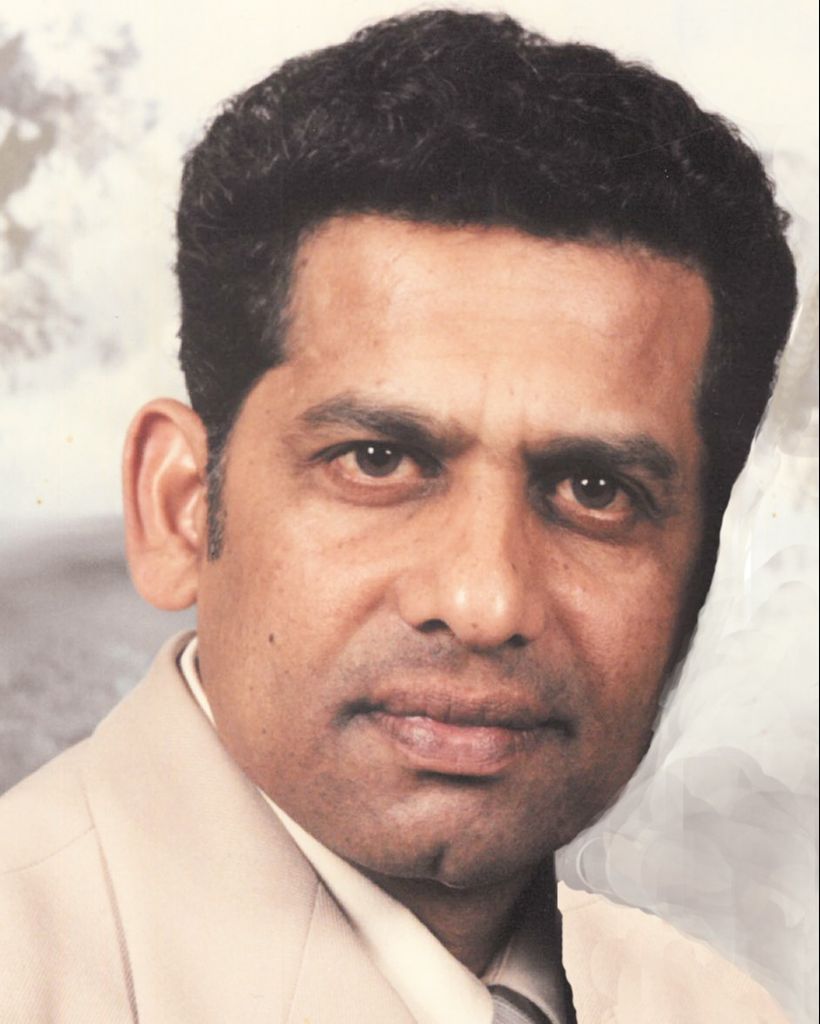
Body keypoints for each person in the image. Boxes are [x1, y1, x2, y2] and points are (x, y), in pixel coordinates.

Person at [0, 10, 798, 1023]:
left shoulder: (712, 1008)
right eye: (377, 461)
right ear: (179, 508)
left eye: (595, 490)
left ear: (698, 570)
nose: (484, 602)